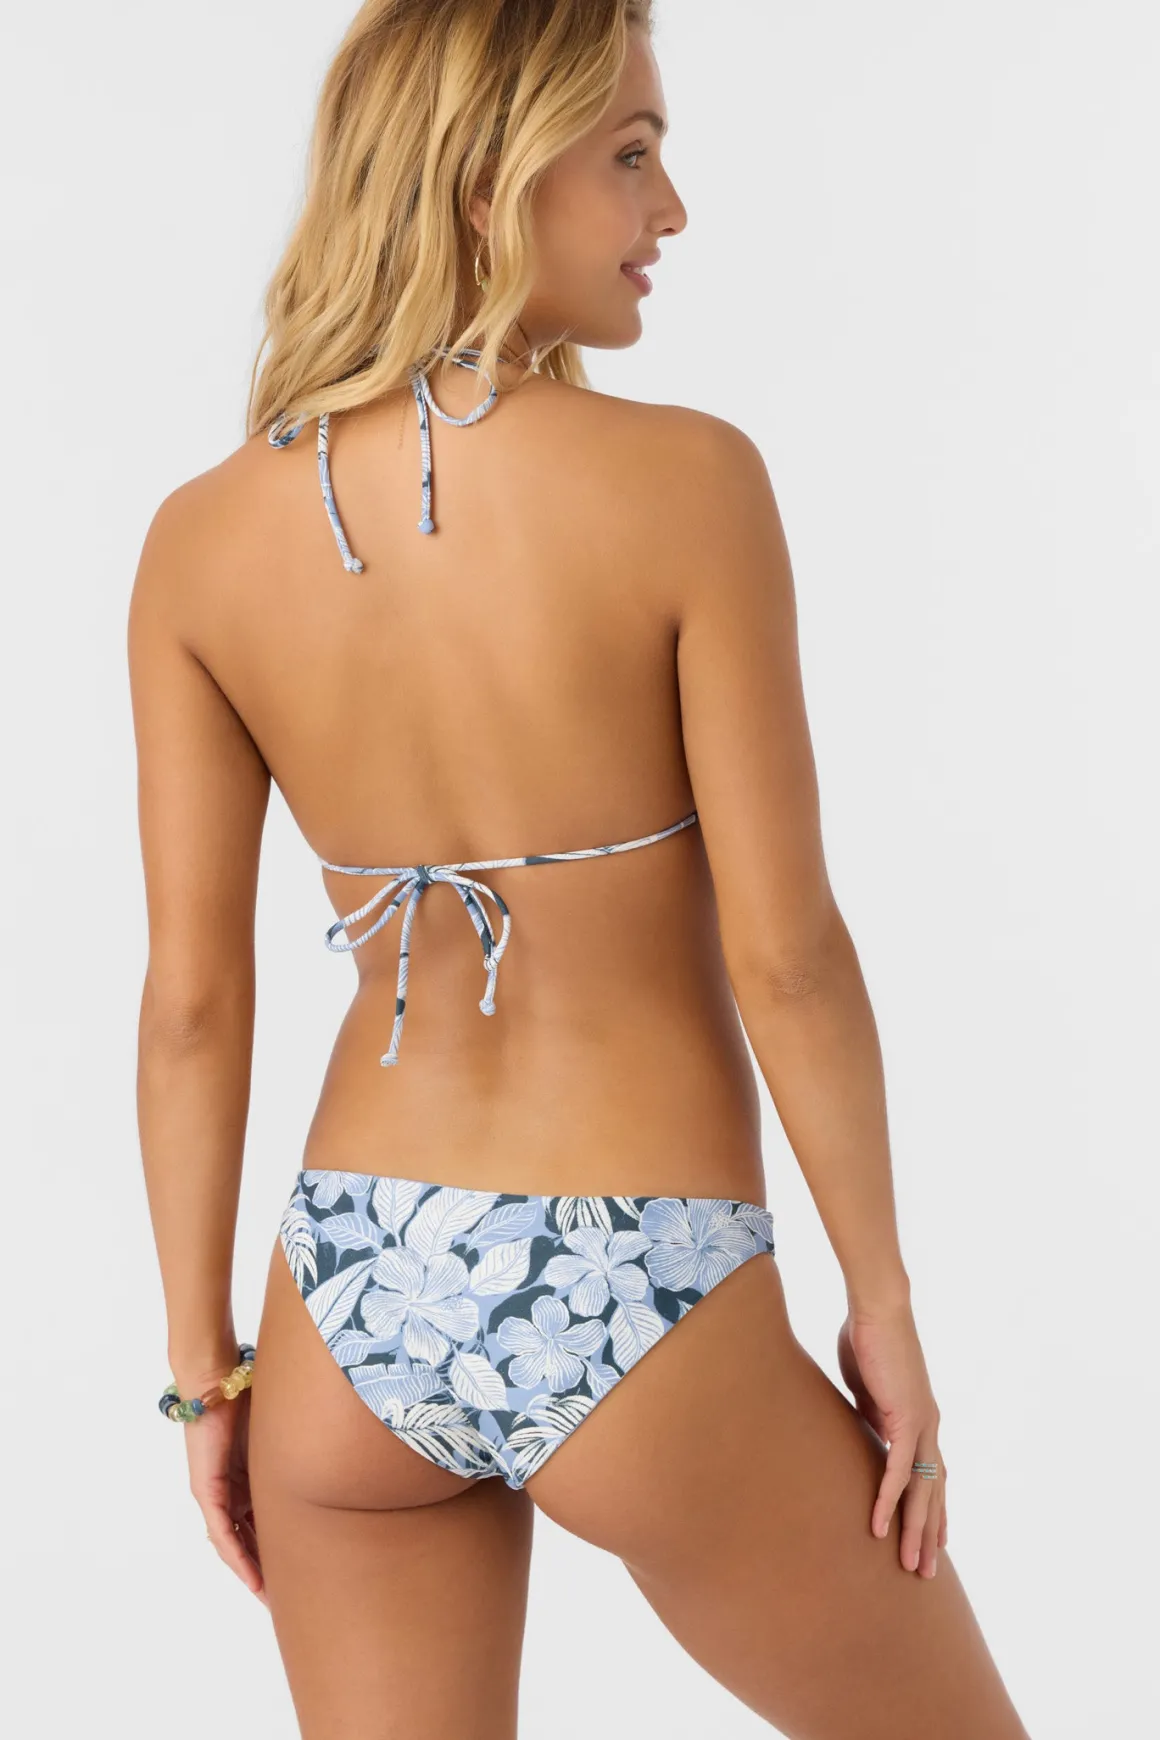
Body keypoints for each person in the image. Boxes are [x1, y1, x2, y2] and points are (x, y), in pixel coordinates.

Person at [128, 3, 1032, 1735]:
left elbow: (189, 1006)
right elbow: (789, 957)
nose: (669, 209)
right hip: (637, 1283)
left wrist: (204, 1377)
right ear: (486, 177)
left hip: (350, 1295)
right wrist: (885, 1306)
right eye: (630, 154)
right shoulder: (687, 482)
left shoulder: (199, 540)